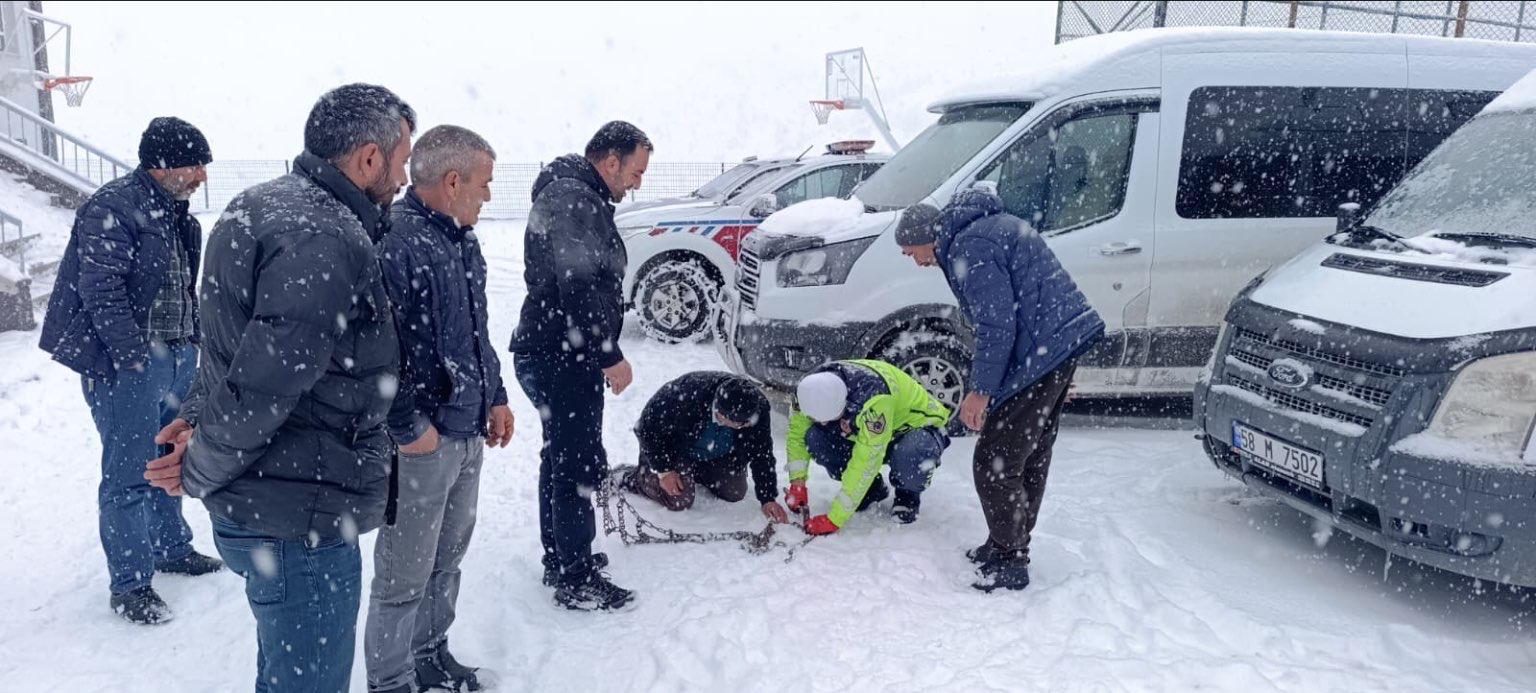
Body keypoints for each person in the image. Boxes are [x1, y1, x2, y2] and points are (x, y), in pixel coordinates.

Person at [145, 83, 415, 691]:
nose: (403, 177)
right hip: (298, 517)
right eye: (401, 161)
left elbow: (229, 347)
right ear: (369, 157)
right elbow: (263, 388)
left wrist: (197, 417)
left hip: (275, 506)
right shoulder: (324, 236)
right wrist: (198, 467)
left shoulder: (258, 206)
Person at [38, 116, 220, 624]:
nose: (202, 175)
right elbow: (102, 292)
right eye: (195, 164)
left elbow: (182, 286)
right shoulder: (113, 207)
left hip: (177, 355)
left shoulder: (179, 216)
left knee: (169, 455)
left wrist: (192, 342)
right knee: (129, 472)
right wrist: (132, 359)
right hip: (132, 363)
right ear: (163, 165)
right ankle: (131, 584)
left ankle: (171, 548)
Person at [895, 187, 1104, 593]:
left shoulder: (970, 246)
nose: (912, 258)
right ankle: (1005, 543)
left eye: (910, 250)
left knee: (995, 462)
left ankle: (1011, 558)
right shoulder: (980, 231)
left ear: (927, 236)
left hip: (1042, 352)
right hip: (1053, 347)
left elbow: (997, 325)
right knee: (1028, 452)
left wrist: (980, 391)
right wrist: (1059, 361)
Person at [365, 125, 511, 693]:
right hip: (422, 442)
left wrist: (495, 396)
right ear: (453, 182)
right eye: (484, 183)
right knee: (404, 571)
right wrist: (409, 426)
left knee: (446, 560)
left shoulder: (460, 240)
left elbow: (476, 331)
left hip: (467, 430)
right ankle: (390, 680)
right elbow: (378, 349)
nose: (488, 195)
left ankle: (429, 656)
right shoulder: (397, 243)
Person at [510, 121, 650, 612]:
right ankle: (576, 576)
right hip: (562, 354)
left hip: (552, 349)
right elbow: (578, 282)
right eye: (635, 172)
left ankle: (563, 557)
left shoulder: (568, 194)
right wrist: (608, 354)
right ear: (610, 161)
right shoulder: (575, 200)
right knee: (575, 463)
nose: (636, 183)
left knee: (560, 456)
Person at [784, 359, 952, 535]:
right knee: (815, 437)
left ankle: (907, 494)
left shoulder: (874, 401)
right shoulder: (808, 391)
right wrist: (797, 483)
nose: (824, 423)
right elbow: (797, 436)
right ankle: (872, 489)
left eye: (828, 419)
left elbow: (866, 461)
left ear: (843, 403)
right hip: (870, 428)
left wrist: (835, 518)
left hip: (916, 429)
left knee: (912, 451)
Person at [621, 372, 786, 523]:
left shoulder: (756, 407)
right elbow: (646, 428)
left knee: (734, 492)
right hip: (677, 451)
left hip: (716, 455)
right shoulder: (686, 394)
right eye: (742, 424)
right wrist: (664, 471)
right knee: (679, 499)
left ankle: (694, 473)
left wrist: (768, 498)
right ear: (721, 414)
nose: (748, 425)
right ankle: (636, 478)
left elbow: (762, 452)